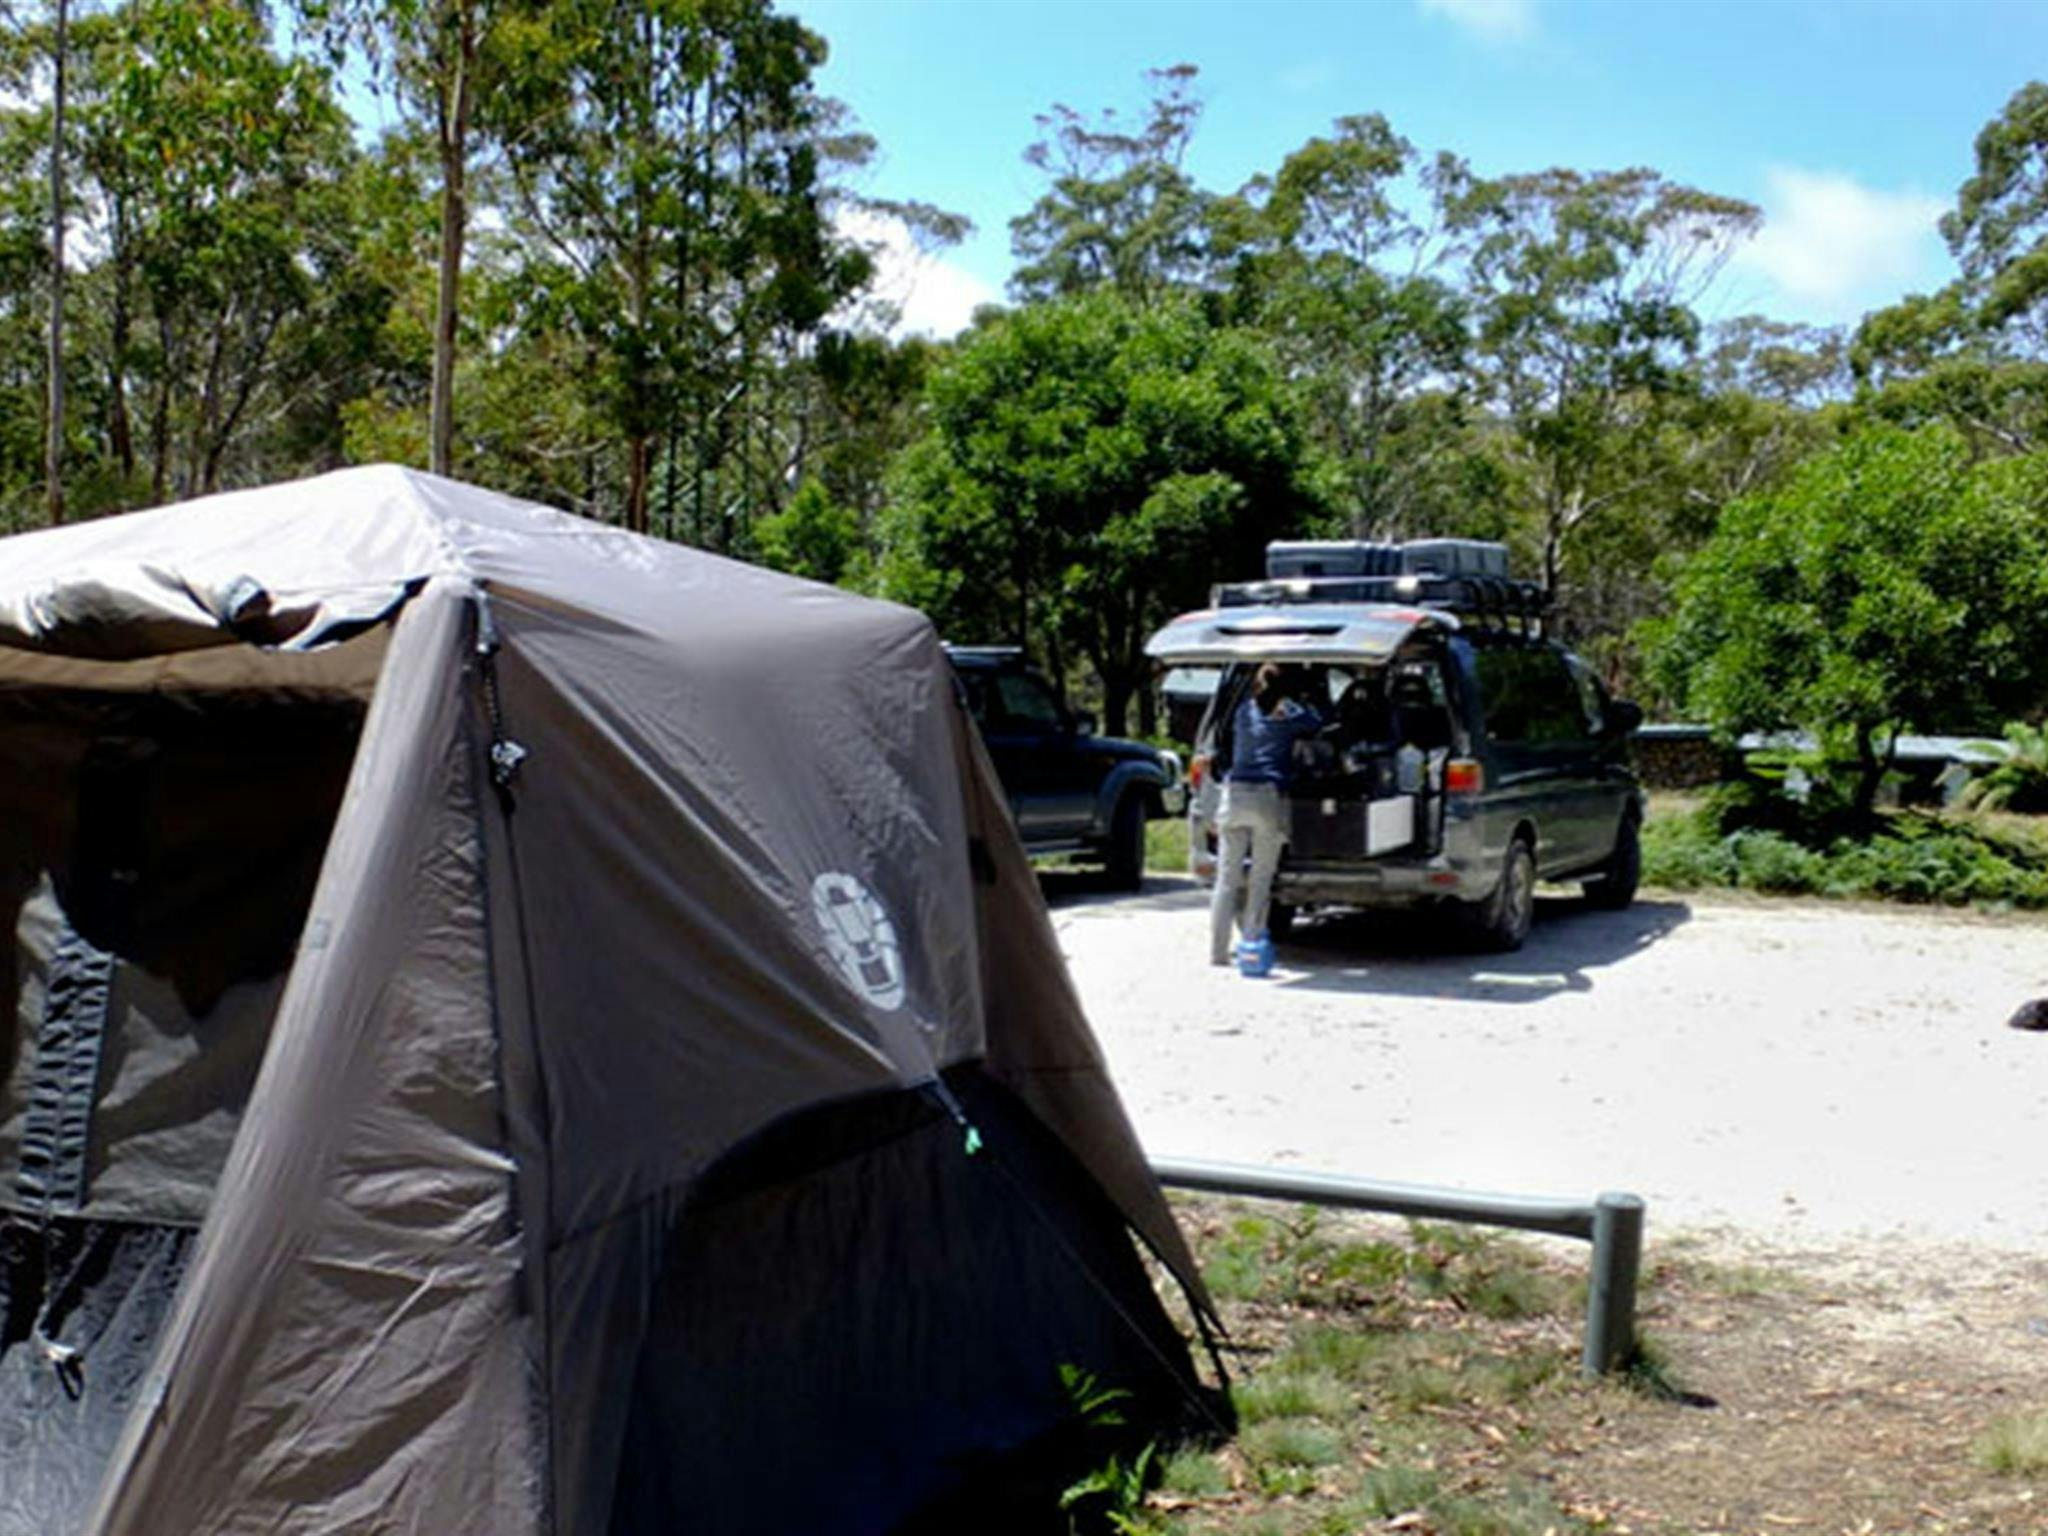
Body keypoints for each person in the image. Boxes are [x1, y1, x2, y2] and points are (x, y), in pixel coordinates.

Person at [1210, 663, 1324, 966]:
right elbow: (1317, 722)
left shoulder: (1243, 710)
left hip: (1233, 793)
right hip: (1266, 796)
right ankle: (1251, 944)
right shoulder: (1288, 713)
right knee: (1261, 878)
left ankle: (1218, 952)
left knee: (1227, 879)